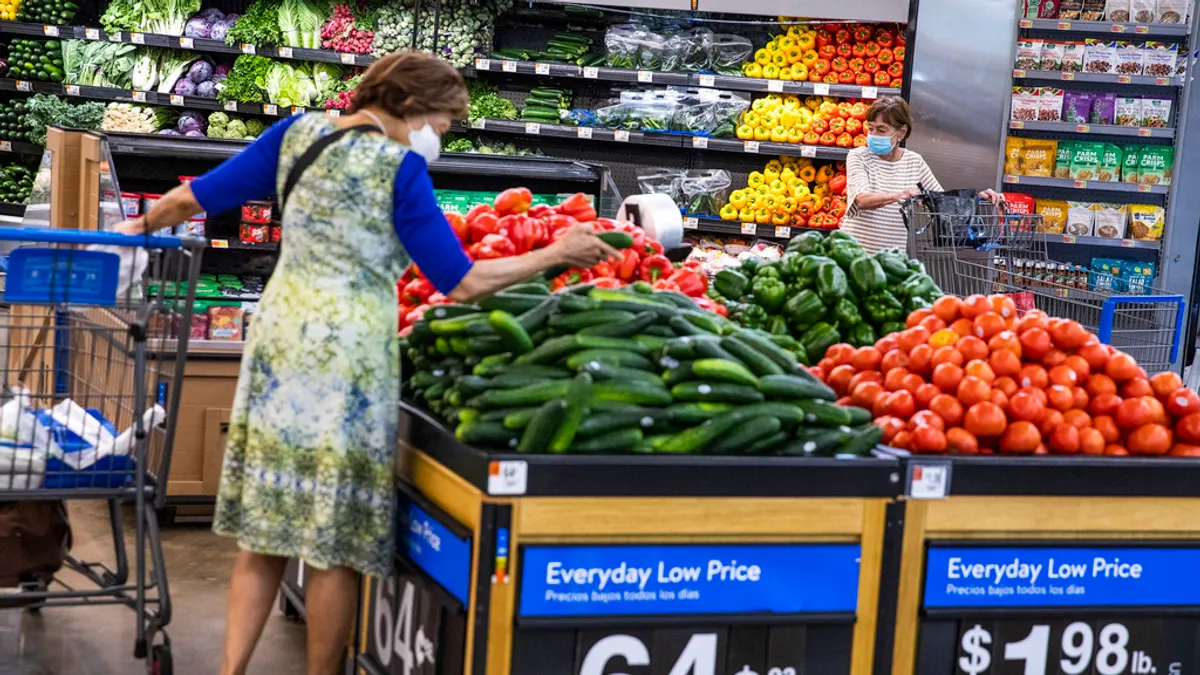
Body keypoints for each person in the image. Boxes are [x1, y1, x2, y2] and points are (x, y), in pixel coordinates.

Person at [115, 51, 619, 675]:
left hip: (278, 344)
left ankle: (230, 671)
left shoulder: (296, 135)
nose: (445, 135)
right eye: (446, 121)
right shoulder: (400, 169)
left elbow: (194, 198)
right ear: (413, 107)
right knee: (335, 542)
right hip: (349, 360)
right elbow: (459, 282)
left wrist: (136, 230)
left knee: (264, 532)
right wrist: (554, 255)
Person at [840, 96, 1000, 255]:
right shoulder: (859, 156)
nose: (873, 135)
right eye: (871, 128)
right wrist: (899, 196)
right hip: (853, 255)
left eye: (881, 130)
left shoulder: (914, 161)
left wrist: (977, 198)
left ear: (901, 133)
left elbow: (943, 202)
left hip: (891, 260)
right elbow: (861, 200)